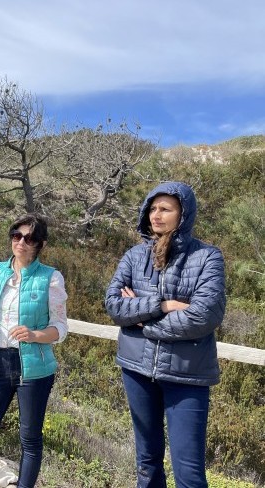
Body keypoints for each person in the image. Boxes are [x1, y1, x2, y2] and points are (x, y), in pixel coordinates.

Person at [105, 181, 226, 487]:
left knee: (188, 471)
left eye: (165, 209)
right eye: (152, 208)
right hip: (137, 369)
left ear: (183, 214)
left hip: (187, 376)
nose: (155, 215)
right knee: (147, 463)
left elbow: (204, 315)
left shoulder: (208, 257)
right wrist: (164, 304)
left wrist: (145, 323)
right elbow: (114, 305)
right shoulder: (134, 256)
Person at [0, 213, 68, 488]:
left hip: (33, 368)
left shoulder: (50, 278)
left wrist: (34, 334)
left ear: (39, 244)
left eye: (28, 238)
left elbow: (60, 328)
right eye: (16, 235)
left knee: (30, 439)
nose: (20, 242)